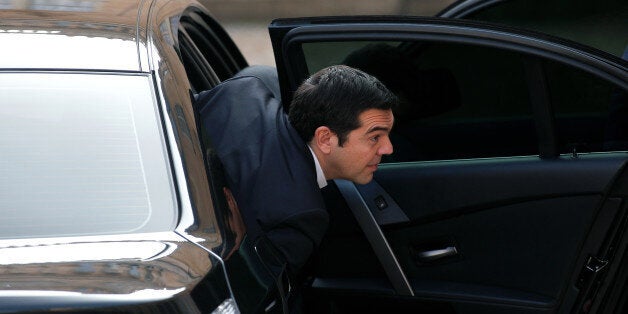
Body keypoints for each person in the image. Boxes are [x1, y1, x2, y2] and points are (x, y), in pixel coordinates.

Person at [196, 64, 397, 292]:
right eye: (375, 137)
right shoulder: (301, 214)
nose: (388, 148)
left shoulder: (244, 90)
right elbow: (261, 295)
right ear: (325, 138)